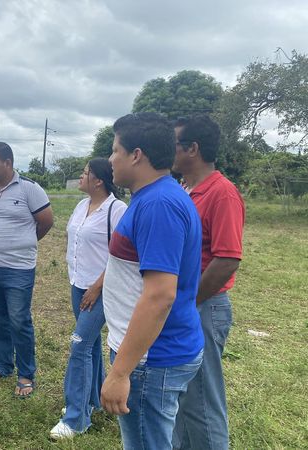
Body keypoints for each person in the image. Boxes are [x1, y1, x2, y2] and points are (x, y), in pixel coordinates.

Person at [100, 112, 204, 450]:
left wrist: (120, 372)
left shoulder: (159, 204)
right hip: (149, 354)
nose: (110, 159)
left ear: (136, 155)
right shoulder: (152, 197)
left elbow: (160, 295)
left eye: (115, 150)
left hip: (151, 359)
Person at [172, 115, 245, 450]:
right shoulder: (185, 190)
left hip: (203, 306)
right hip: (187, 304)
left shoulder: (222, 193)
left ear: (193, 149)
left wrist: (189, 301)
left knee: (202, 399)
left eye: (174, 144)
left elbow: (227, 259)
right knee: (183, 394)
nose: (169, 151)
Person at [50, 158, 127, 439]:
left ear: (99, 181)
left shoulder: (117, 210)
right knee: (91, 344)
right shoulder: (82, 205)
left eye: (85, 173)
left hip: (101, 289)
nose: (81, 177)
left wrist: (96, 286)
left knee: (79, 345)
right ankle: (92, 401)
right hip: (78, 284)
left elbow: (121, 256)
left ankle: (76, 419)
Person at [0, 142, 54, 398]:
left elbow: (46, 222)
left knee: (19, 320)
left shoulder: (30, 188)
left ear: (8, 163)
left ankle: (26, 374)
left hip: (18, 268)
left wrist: (23, 242)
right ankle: (3, 365)